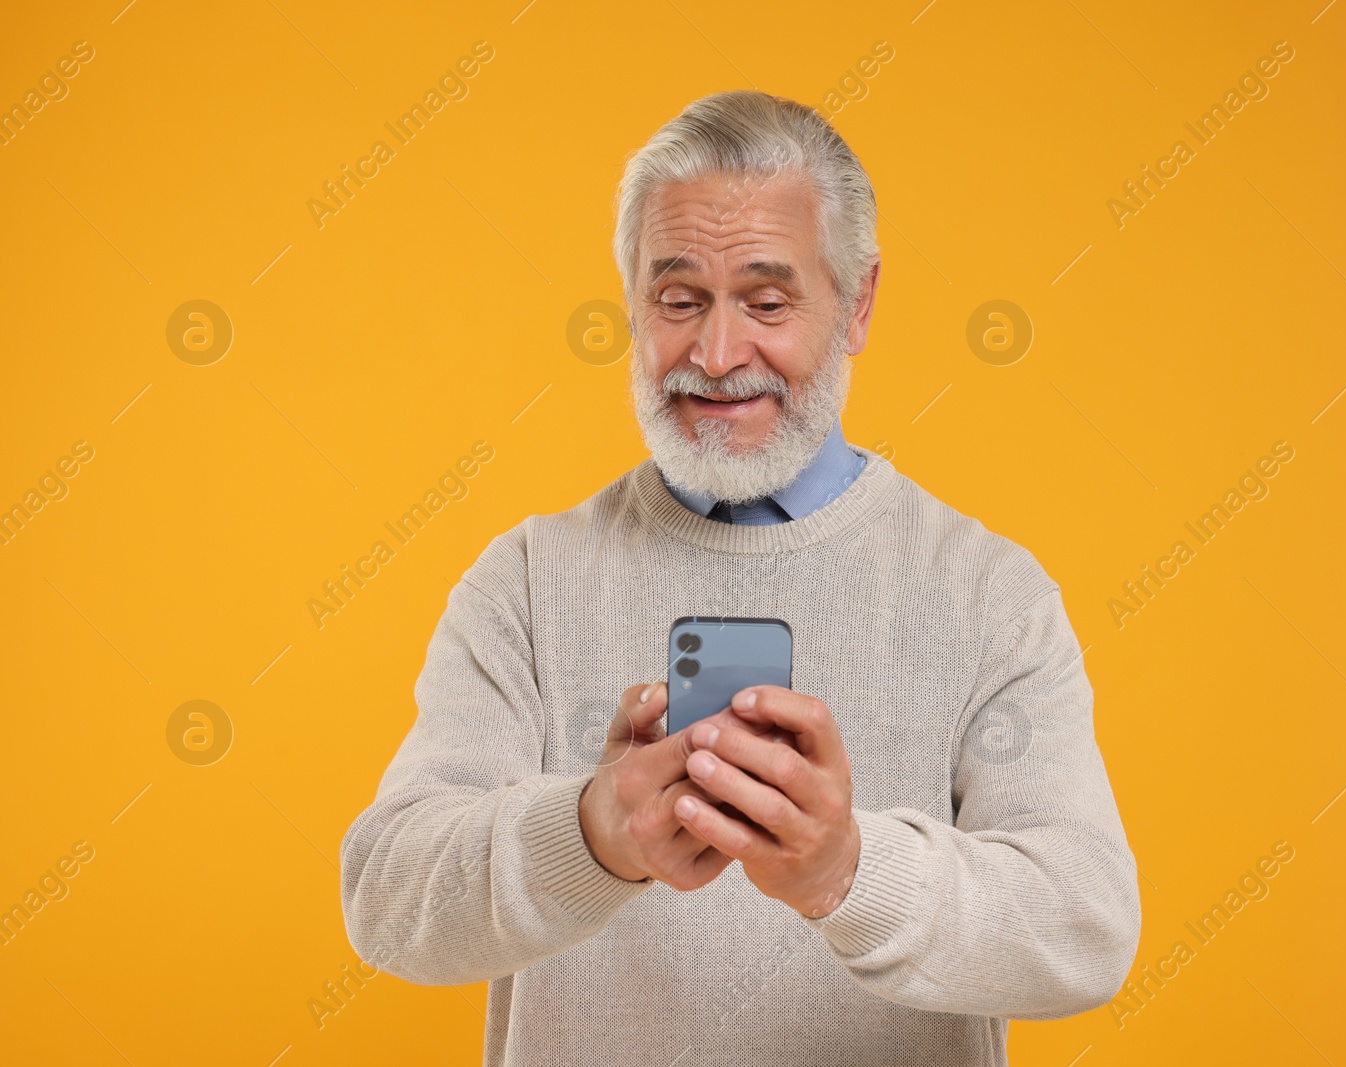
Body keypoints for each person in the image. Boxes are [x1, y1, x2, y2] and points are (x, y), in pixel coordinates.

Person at [340, 89, 1140, 1067]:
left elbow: (1084, 926)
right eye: (678, 300)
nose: (716, 357)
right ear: (631, 300)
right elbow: (385, 898)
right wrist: (591, 834)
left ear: (857, 304)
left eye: (766, 302)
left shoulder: (989, 595)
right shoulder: (527, 583)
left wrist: (845, 870)